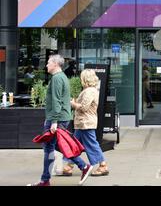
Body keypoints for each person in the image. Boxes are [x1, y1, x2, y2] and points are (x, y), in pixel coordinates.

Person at [27, 54, 92, 186]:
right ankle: (82, 166)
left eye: (49, 62)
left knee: (48, 147)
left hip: (56, 118)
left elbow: (57, 101)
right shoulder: (62, 77)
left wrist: (54, 121)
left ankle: (45, 180)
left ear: (55, 64)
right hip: (61, 117)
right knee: (55, 145)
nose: (46, 65)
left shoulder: (57, 78)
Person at [61, 69, 109, 177]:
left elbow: (84, 107)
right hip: (83, 123)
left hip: (85, 123)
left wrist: (73, 104)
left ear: (85, 79)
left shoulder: (90, 91)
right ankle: (69, 166)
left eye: (81, 77)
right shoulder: (90, 90)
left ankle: (103, 165)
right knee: (74, 145)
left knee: (91, 145)